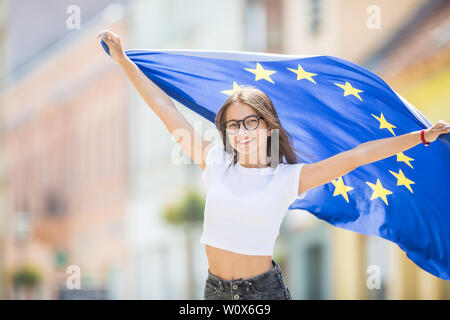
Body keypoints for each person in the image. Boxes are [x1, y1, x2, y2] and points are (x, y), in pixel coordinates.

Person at [96, 29, 450, 300]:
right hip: (213, 292)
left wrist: (420, 137)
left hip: (263, 294)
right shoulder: (215, 162)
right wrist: (125, 61)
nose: (242, 131)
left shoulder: (288, 178)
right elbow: (166, 110)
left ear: (268, 127)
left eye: (251, 122)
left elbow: (357, 156)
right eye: (233, 125)